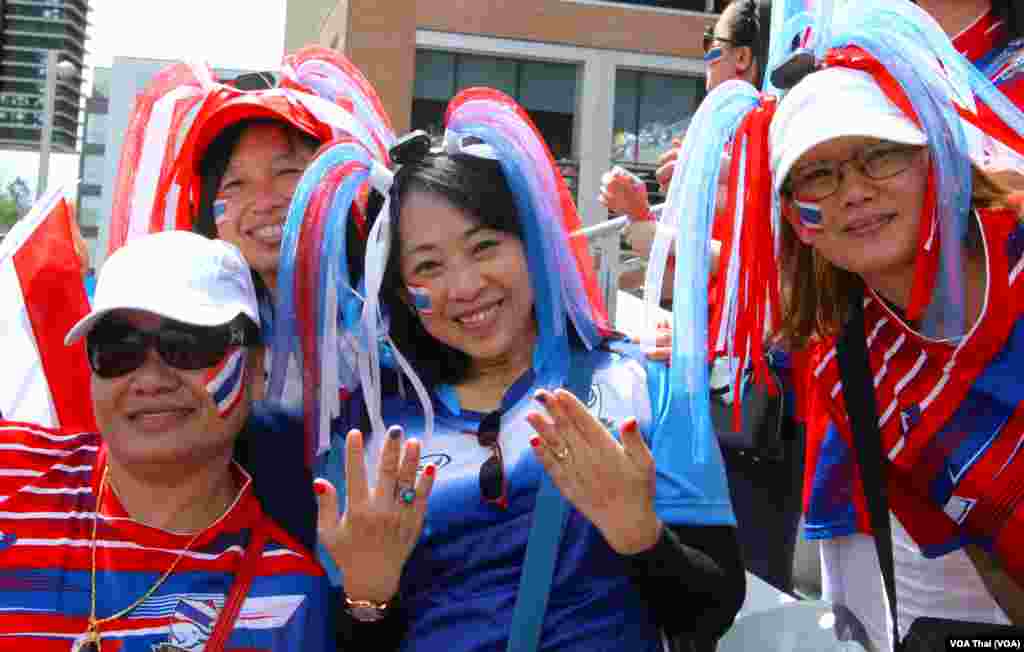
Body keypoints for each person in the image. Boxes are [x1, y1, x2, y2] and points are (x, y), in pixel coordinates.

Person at [304, 91, 745, 651]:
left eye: (484, 246)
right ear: (400, 292)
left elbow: (712, 611)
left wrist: (640, 535)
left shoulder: (648, 387)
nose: (465, 287)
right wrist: (369, 595)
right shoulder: (369, 438)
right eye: (429, 266)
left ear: (534, 244)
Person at [767, 13, 1024, 651]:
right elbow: (988, 555)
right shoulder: (846, 367)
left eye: (880, 154)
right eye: (818, 174)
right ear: (799, 220)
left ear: (934, 159)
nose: (854, 192)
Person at [0, 230, 330, 650]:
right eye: (118, 348)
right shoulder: (11, 468)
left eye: (188, 345)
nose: (151, 379)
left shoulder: (287, 598)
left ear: (256, 367)